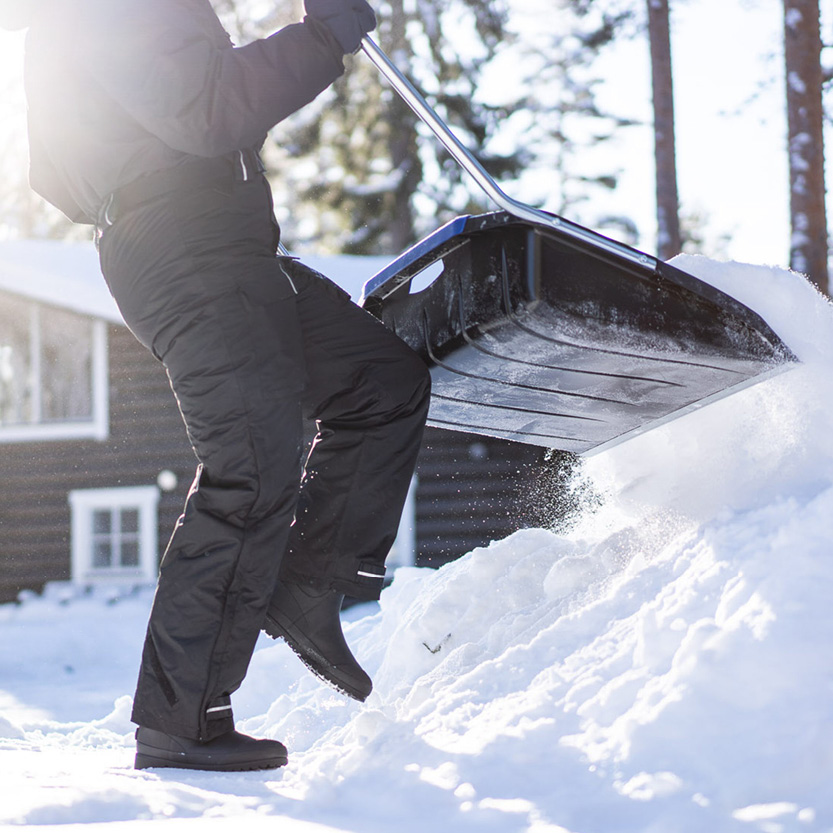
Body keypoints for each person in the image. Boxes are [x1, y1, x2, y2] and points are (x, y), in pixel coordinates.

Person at [9, 0, 431, 772]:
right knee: (252, 464)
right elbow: (207, 110)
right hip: (184, 241)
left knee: (379, 380)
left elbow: (198, 116)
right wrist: (319, 38)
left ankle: (309, 584)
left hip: (219, 236)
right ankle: (182, 721)